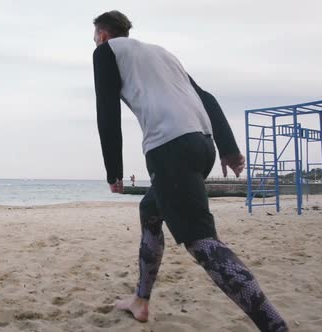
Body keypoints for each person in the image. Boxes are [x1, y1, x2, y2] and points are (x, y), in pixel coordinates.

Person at [92, 10, 288, 332]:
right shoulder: (163, 54)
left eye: (95, 37)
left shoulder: (105, 51)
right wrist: (228, 147)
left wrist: (113, 171)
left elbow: (107, 109)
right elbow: (205, 96)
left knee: (203, 243)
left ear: (102, 34)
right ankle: (141, 299)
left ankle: (274, 325)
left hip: (169, 148)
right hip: (202, 144)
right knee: (151, 210)